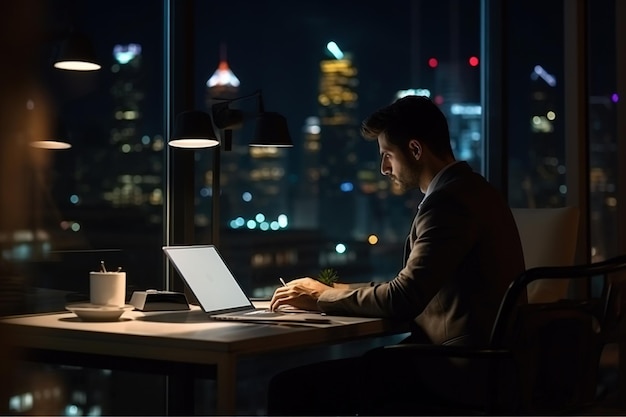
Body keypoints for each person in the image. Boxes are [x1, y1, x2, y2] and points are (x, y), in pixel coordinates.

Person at [267, 95, 526, 415]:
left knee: (290, 388)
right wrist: (334, 290)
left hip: (459, 372)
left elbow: (404, 298)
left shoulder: (448, 204)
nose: (383, 168)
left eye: (387, 155)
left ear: (415, 150)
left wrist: (322, 298)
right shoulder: (478, 190)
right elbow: (410, 286)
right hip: (488, 365)